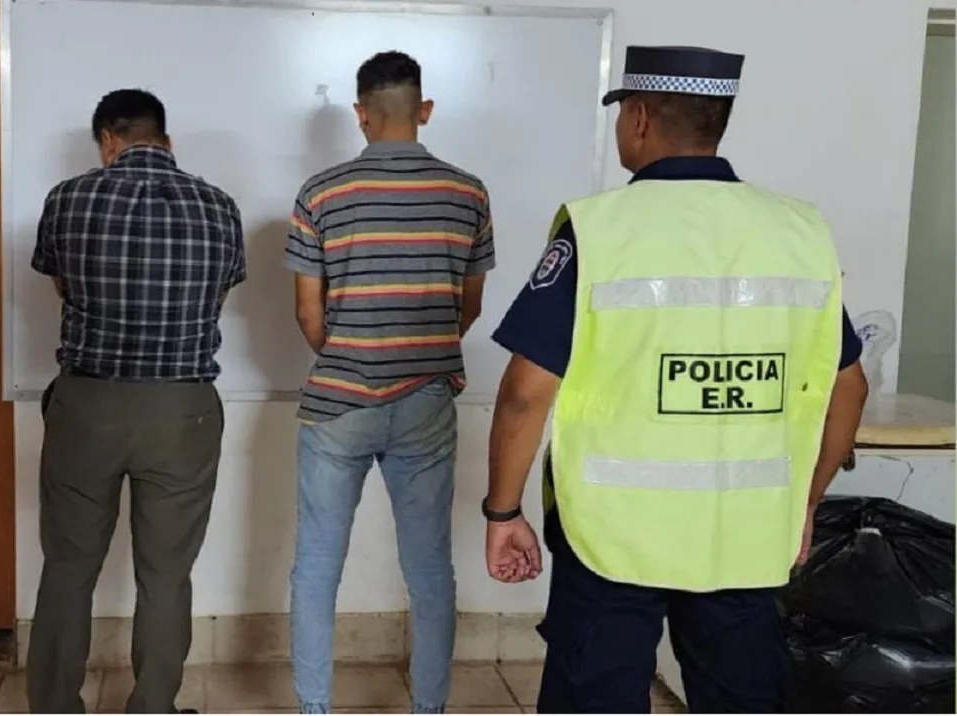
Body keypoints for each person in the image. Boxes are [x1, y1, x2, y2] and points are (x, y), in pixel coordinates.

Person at [483, 46, 870, 713]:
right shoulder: (800, 232)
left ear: (637, 117)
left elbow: (525, 394)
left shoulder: (598, 231)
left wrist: (503, 511)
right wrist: (803, 503)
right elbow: (849, 386)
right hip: (745, 534)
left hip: (611, 535)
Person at [285, 51, 495, 714]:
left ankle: (314, 708)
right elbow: (469, 306)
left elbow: (308, 314)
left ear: (361, 113)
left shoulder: (320, 194)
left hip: (337, 403)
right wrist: (420, 352)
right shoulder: (468, 193)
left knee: (317, 567)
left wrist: (350, 355)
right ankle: (428, 707)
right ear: (424, 110)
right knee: (430, 569)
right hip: (427, 401)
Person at [26, 88, 244, 714]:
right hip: (182, 410)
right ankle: (153, 706)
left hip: (87, 406)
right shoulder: (219, 206)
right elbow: (217, 296)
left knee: (68, 568)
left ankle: (54, 707)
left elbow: (63, 285)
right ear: (165, 140)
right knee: (167, 574)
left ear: (107, 140)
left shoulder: (67, 198)